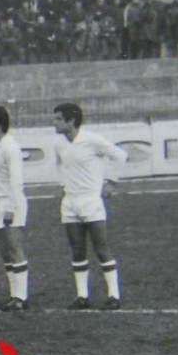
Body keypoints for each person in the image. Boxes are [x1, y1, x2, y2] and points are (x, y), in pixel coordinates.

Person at [51, 102, 127, 309]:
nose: (54, 123)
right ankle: (82, 296)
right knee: (77, 250)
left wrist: (111, 182)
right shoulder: (59, 144)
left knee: (101, 248)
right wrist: (62, 185)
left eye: (58, 119)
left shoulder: (92, 140)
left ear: (71, 121)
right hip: (70, 203)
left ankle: (114, 295)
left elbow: (120, 155)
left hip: (91, 201)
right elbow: (59, 164)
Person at [0, 105, 30, 310]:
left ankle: (21, 297)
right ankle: (14, 295)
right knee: (5, 252)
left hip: (13, 203)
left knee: (14, 249)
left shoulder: (11, 148)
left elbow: (16, 182)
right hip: (1, 204)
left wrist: (11, 208)